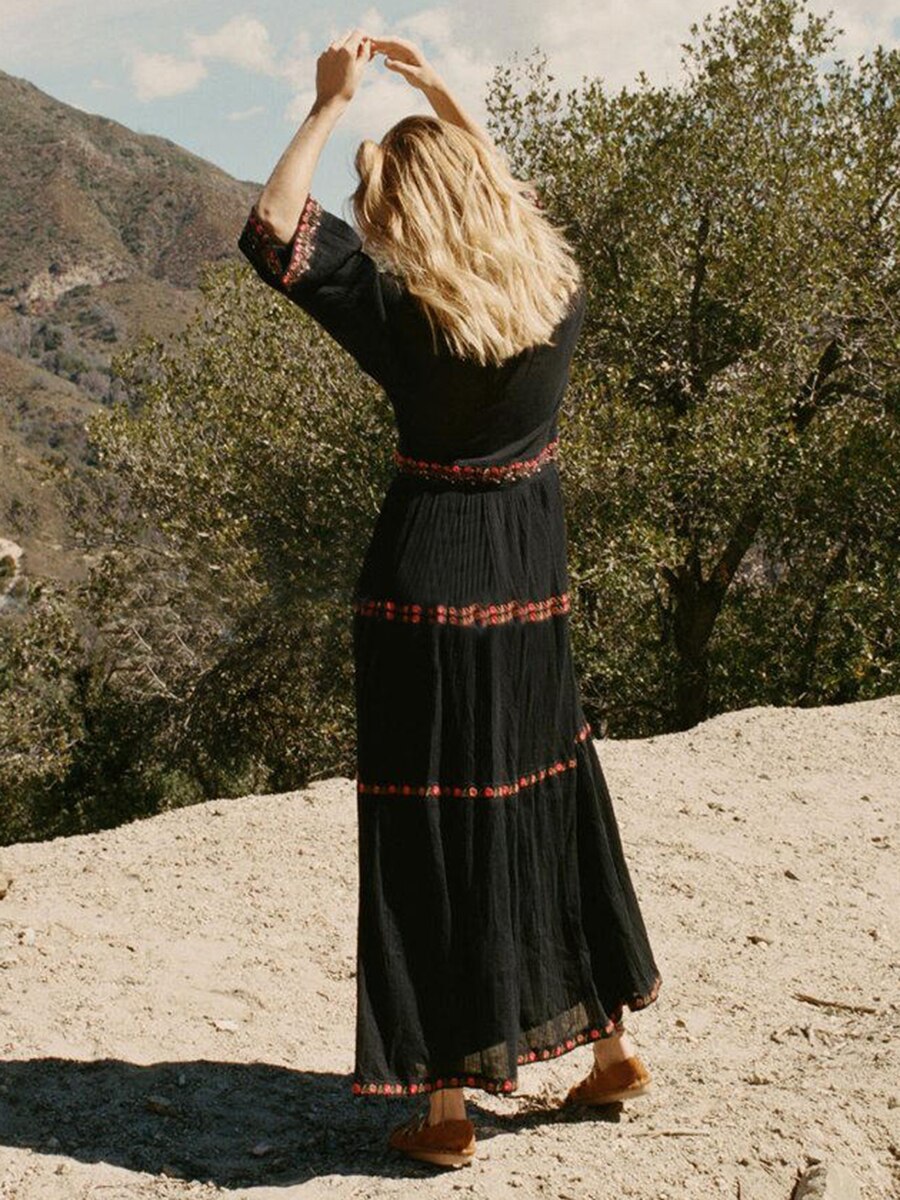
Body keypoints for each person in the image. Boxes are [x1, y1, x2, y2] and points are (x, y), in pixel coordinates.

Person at [237, 28, 662, 1171]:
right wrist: (440, 92)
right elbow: (512, 199)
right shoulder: (553, 289)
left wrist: (328, 107)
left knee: (431, 823)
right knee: (548, 794)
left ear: (402, 221)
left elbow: (273, 231)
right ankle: (610, 1049)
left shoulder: (405, 315)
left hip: (424, 588)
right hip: (530, 578)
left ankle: (442, 1111)